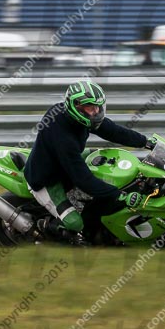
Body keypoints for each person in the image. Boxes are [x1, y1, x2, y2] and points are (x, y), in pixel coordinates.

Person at [23, 80, 150, 242]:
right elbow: (83, 179)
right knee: (75, 223)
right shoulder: (63, 137)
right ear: (76, 107)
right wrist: (120, 195)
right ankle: (44, 226)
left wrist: (146, 142)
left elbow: (113, 131)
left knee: (109, 162)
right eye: (91, 108)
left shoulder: (81, 117)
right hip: (47, 180)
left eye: (98, 107)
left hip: (66, 163)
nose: (95, 112)